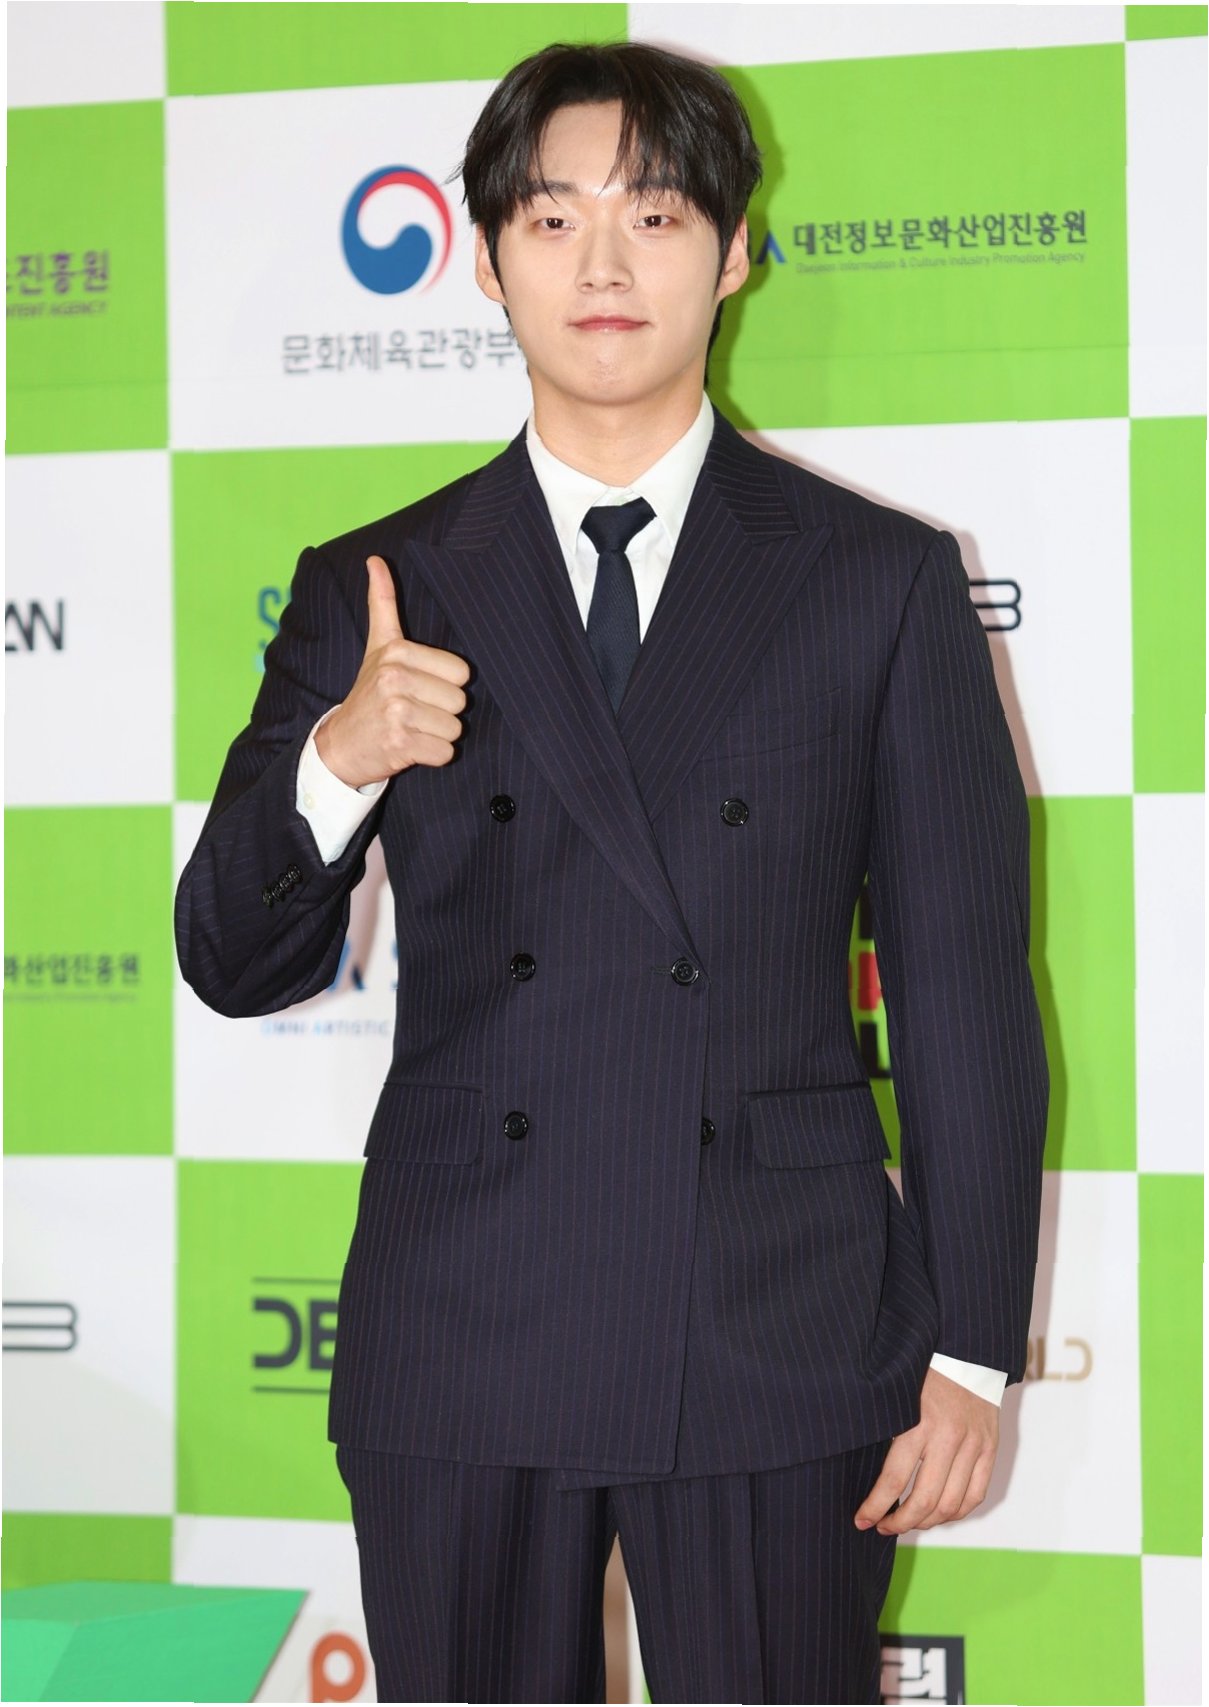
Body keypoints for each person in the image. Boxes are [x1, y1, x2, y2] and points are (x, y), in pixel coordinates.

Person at [175, 40, 1049, 1706]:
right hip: (466, 1319)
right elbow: (232, 959)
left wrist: (967, 1349)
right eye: (553, 216)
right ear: (485, 256)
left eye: (652, 216)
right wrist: (338, 758)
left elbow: (960, 994)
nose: (600, 264)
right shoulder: (381, 584)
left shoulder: (873, 581)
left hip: (773, 1319)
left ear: (732, 254)